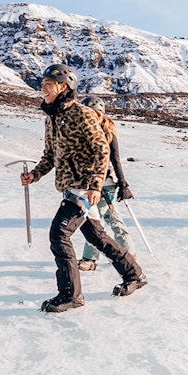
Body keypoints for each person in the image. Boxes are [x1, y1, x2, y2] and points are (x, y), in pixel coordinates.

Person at [20, 64, 147, 312]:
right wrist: (35, 174)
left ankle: (70, 295)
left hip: (83, 188)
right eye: (42, 84)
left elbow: (102, 150)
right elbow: (49, 155)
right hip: (70, 188)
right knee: (96, 237)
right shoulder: (52, 119)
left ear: (63, 86)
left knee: (59, 234)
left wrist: (95, 186)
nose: (42, 88)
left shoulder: (82, 114)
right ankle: (135, 275)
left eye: (48, 84)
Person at [77, 96, 136, 272]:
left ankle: (90, 259)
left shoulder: (108, 131)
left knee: (95, 222)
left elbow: (115, 159)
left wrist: (123, 184)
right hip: (88, 184)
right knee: (113, 220)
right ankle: (129, 254)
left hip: (106, 184)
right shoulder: (83, 130)